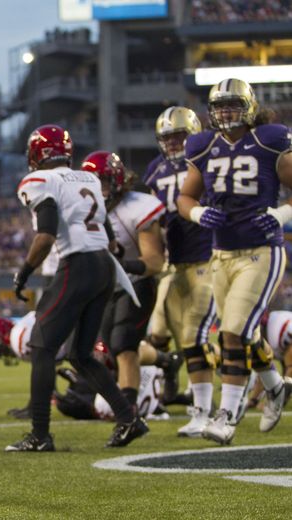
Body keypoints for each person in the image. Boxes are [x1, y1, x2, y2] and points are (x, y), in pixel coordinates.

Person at [9, 124, 147, 452]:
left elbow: (45, 235)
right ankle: (129, 418)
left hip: (79, 263)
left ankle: (40, 435)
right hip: (104, 265)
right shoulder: (87, 177)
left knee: (41, 346)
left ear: (36, 154)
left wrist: (24, 272)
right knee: (80, 354)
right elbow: (110, 234)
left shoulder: (40, 181)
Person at [178, 77, 292, 444]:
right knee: (246, 333)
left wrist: (281, 215)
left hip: (261, 250)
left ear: (249, 108)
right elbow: (185, 198)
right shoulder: (202, 145)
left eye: (233, 105)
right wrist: (197, 215)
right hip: (221, 253)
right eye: (220, 106)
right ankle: (275, 386)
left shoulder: (269, 139)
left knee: (233, 332)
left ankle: (227, 415)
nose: (227, 112)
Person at [143, 107, 219, 437]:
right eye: (167, 138)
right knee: (158, 333)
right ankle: (161, 393)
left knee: (192, 335)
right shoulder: (155, 170)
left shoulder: (208, 158)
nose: (173, 144)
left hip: (207, 257)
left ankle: (204, 409)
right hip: (176, 264)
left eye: (179, 137)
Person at [81, 151, 169, 417]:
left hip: (137, 281)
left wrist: (122, 264)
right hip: (106, 285)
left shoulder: (137, 206)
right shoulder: (82, 207)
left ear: (118, 180)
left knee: (123, 343)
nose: (100, 189)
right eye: (94, 182)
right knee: (106, 347)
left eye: (105, 181)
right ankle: (160, 368)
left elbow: (155, 261)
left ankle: (128, 411)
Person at [0, 313, 175, 421]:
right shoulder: (23, 328)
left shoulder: (19, 340)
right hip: (83, 334)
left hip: (84, 338)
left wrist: (36, 406)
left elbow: (44, 367)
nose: (2, 355)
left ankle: (162, 365)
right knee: (114, 359)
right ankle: (161, 368)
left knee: (116, 356)